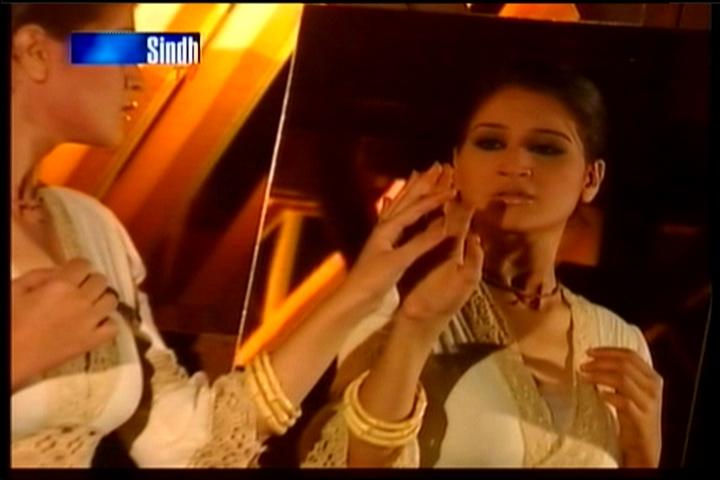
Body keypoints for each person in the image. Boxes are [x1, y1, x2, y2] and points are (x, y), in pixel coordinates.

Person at [10, 4, 473, 467]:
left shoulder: (91, 227)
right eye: (119, 47)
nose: (138, 75)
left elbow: (191, 444)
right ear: (34, 52)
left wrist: (363, 288)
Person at [299, 62, 664, 468]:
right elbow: (351, 458)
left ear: (591, 179)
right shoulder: (395, 303)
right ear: (457, 165)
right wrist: (415, 327)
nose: (515, 163)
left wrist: (645, 451)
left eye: (546, 148)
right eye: (490, 143)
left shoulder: (621, 340)